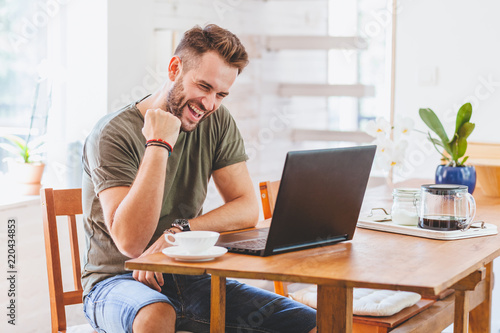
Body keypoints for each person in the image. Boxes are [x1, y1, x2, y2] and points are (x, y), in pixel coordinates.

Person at [81, 24, 317, 333]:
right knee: (156, 315)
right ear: (175, 68)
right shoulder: (112, 133)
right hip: (117, 281)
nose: (209, 104)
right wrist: (159, 143)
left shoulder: (216, 121)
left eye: (221, 94)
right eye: (203, 87)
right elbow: (132, 244)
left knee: (310, 323)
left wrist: (178, 233)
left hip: (189, 277)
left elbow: (247, 207)